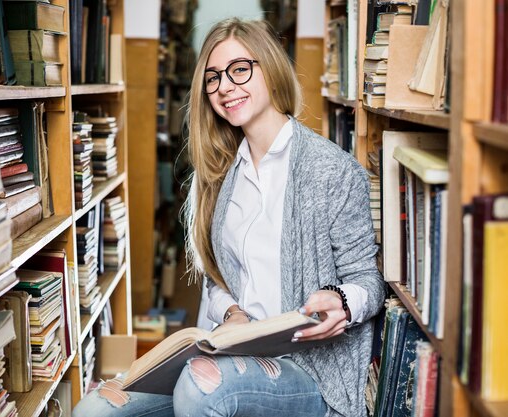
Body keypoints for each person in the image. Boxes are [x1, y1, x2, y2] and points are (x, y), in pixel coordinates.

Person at [73, 17, 386, 417]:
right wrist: (233, 313)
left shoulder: (331, 170)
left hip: (309, 368)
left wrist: (343, 301)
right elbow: (218, 277)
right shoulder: (222, 171)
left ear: (270, 69)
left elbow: (368, 280)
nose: (224, 87)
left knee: (201, 390)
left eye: (240, 69)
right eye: (213, 77)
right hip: (239, 350)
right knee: (93, 411)